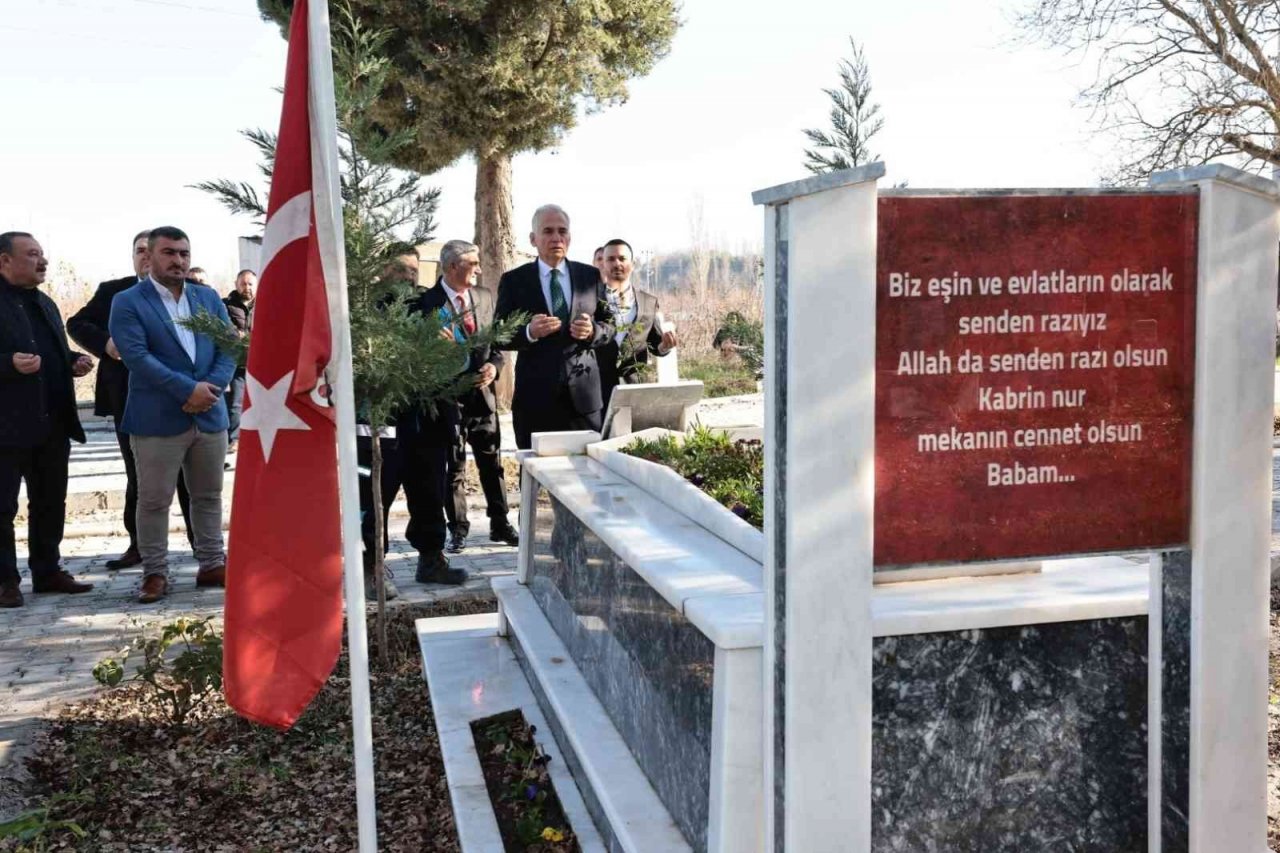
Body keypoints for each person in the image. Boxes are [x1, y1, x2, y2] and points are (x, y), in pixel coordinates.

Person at [108, 227, 235, 603]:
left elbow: (229, 347)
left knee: (209, 496)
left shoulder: (208, 297)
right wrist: (187, 390)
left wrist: (208, 390)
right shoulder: (128, 301)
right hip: (156, 420)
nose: (178, 260)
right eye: (169, 253)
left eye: (184, 253)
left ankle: (212, 563)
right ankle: (155, 573)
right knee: (153, 500)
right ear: (148, 257)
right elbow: (137, 357)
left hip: (210, 416)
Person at [68, 231, 194, 569]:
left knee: (190, 476)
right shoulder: (114, 292)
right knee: (139, 475)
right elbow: (76, 323)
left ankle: (203, 547)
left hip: (183, 396)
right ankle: (139, 545)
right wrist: (106, 344)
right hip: (129, 397)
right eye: (138, 251)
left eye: (147, 251)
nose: (144, 257)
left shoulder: (189, 293)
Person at [0, 232, 95, 608]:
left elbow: (49, 348)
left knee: (50, 502)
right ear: (4, 261)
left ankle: (47, 570)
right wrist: (6, 364)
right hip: (5, 428)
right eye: (33, 255)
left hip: (52, 425)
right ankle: (5, 580)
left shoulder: (45, 303)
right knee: (2, 507)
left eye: (43, 255)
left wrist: (72, 360)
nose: (43, 262)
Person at [423, 240, 518, 553]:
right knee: (455, 468)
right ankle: (458, 529)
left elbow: (499, 345)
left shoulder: (484, 297)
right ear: (452, 267)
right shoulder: (426, 303)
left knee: (492, 464)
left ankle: (500, 523)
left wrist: (493, 365)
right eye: (472, 264)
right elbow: (417, 355)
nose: (479, 269)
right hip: (447, 401)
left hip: (483, 400)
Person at [493, 204, 616, 449]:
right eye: (548, 231)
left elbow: (610, 325)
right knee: (532, 474)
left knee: (586, 476)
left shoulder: (590, 276)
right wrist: (529, 332)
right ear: (533, 239)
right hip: (535, 399)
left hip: (584, 400)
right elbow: (498, 335)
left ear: (569, 237)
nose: (556, 238)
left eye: (562, 231)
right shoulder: (514, 281)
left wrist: (593, 331)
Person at [597, 238, 678, 405]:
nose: (616, 263)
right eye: (610, 259)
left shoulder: (648, 302)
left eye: (622, 258)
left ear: (632, 264)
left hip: (635, 387)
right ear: (603, 264)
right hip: (596, 389)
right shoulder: (590, 300)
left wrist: (665, 346)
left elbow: (656, 344)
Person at [222, 269, 256, 452]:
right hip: (237, 364)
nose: (247, 287)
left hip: (261, 364)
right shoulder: (225, 305)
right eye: (243, 283)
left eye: (251, 284)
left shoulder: (266, 303)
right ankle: (234, 440)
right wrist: (240, 336)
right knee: (236, 403)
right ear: (236, 284)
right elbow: (225, 331)